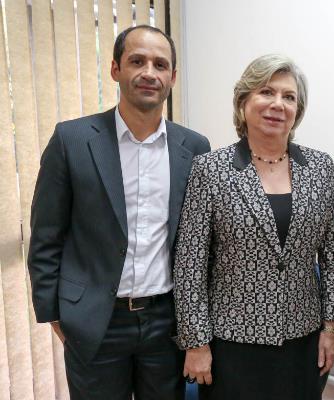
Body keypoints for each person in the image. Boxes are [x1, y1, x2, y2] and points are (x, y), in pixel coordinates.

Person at [27, 25, 210, 400]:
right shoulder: (72, 140)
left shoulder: (194, 147)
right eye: (136, 61)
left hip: (166, 322)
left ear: (172, 77)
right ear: (115, 68)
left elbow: (198, 242)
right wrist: (56, 315)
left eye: (160, 64)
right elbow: (46, 236)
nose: (149, 73)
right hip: (96, 319)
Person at [173, 54, 334, 400]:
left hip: (302, 340)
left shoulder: (321, 168)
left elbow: (332, 257)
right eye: (266, 92)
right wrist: (196, 343)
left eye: (289, 96)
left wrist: (330, 328)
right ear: (244, 101)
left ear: (298, 109)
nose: (277, 104)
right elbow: (190, 264)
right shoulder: (211, 169)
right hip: (231, 343)